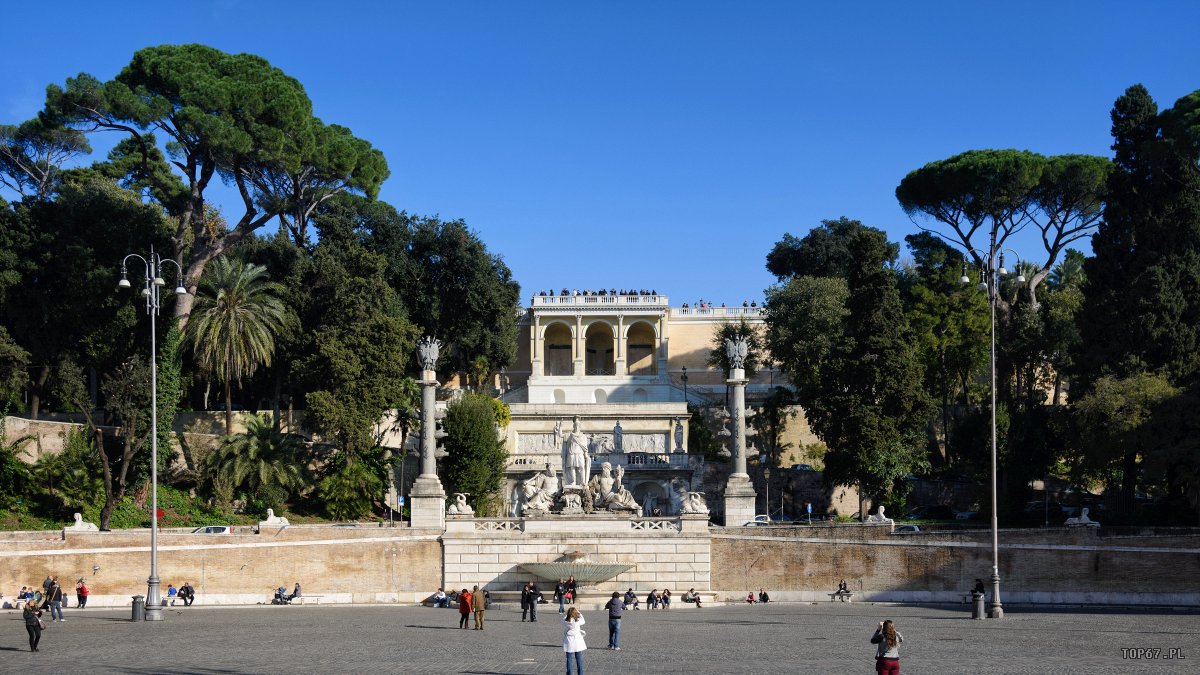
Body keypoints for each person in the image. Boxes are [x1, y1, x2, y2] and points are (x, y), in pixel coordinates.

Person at [562, 606, 587, 675]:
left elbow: (564, 618)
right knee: (579, 659)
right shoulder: (578, 621)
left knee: (569, 659)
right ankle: (580, 673)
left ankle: (569, 673)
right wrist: (579, 613)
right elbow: (583, 620)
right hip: (577, 642)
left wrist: (568, 614)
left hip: (569, 642)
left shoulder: (565, 621)